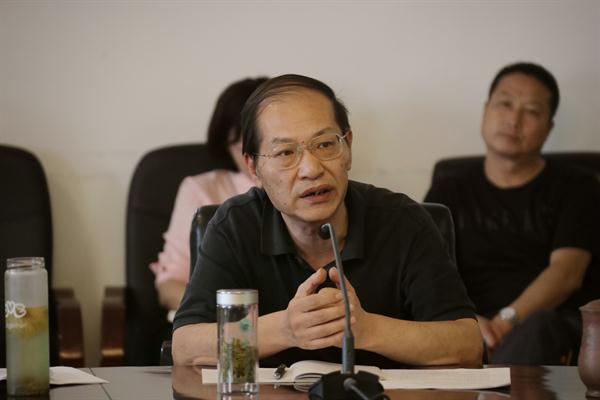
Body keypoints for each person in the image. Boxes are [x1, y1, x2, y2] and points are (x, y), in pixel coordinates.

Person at [172, 74, 482, 368]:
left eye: (325, 145)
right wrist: (284, 329)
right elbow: (185, 348)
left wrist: (368, 329)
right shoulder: (235, 225)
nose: (311, 169)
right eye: (285, 153)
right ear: (253, 168)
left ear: (348, 147)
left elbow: (467, 345)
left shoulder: (403, 221)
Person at [425, 62, 600, 365]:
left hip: (545, 327)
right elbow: (426, 270)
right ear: (486, 110)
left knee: (539, 327)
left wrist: (506, 321)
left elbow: (566, 274)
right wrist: (470, 322)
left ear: (549, 127)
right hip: (471, 325)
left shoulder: (579, 187)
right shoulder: (448, 188)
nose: (513, 119)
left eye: (531, 111)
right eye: (505, 104)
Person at [150, 77, 268, 312]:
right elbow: (170, 284)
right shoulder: (201, 189)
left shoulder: (310, 185)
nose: (255, 157)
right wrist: (236, 317)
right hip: (229, 323)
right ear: (226, 144)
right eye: (243, 146)